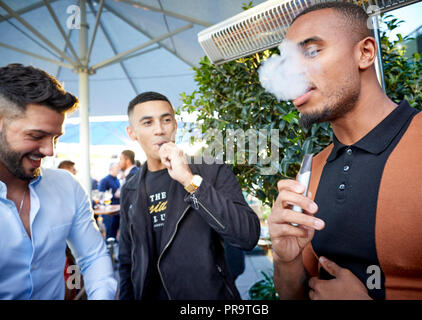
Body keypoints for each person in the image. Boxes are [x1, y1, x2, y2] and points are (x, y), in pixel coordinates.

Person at [268, 2, 422, 300]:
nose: (294, 71)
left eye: (312, 51)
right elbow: (294, 295)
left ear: (364, 53)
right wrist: (285, 259)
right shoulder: (311, 169)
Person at [118, 91, 260, 300]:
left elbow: (247, 235)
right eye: (147, 123)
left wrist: (189, 181)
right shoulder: (130, 189)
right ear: (132, 133)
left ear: (175, 125)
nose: (159, 130)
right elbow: (126, 260)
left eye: (166, 120)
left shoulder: (210, 170)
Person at [0, 63, 117, 299]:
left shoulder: (66, 185)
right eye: (36, 136)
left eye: (55, 138)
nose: (50, 151)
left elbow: (93, 257)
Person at [98, 162, 121, 240]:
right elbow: (100, 196)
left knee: (115, 234)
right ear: (111, 169)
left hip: (117, 211)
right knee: (109, 234)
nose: (119, 169)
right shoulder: (105, 180)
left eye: (119, 168)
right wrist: (115, 195)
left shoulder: (117, 179)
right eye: (117, 168)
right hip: (108, 213)